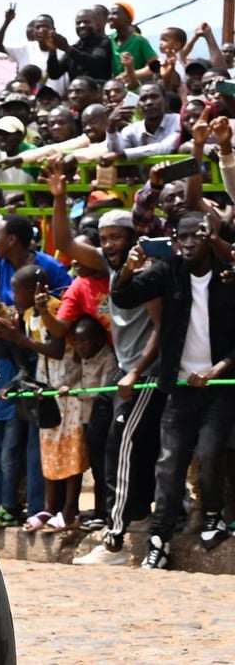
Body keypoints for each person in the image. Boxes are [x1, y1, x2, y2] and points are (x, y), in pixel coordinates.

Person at [112, 212, 235, 567]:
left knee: (211, 452)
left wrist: (217, 369)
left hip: (220, 386)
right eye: (181, 237)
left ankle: (212, 516)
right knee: (169, 463)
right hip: (179, 386)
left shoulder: (228, 275)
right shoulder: (169, 271)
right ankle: (159, 539)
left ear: (209, 236)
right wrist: (128, 269)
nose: (188, 242)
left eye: (196, 235)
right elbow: (124, 297)